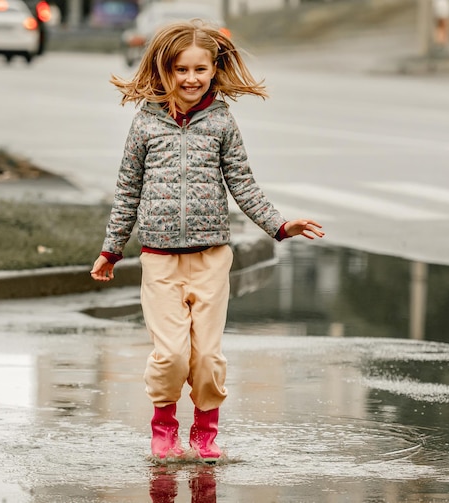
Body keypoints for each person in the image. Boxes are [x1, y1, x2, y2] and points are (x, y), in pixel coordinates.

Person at [90, 20, 324, 462]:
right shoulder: (145, 125)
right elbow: (127, 191)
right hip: (159, 260)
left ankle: (204, 431)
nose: (192, 79)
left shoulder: (221, 123)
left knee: (206, 358)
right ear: (164, 71)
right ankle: (163, 426)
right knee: (171, 355)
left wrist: (279, 225)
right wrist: (111, 250)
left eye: (200, 69)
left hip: (212, 258)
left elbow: (243, 184)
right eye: (181, 70)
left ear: (214, 70)